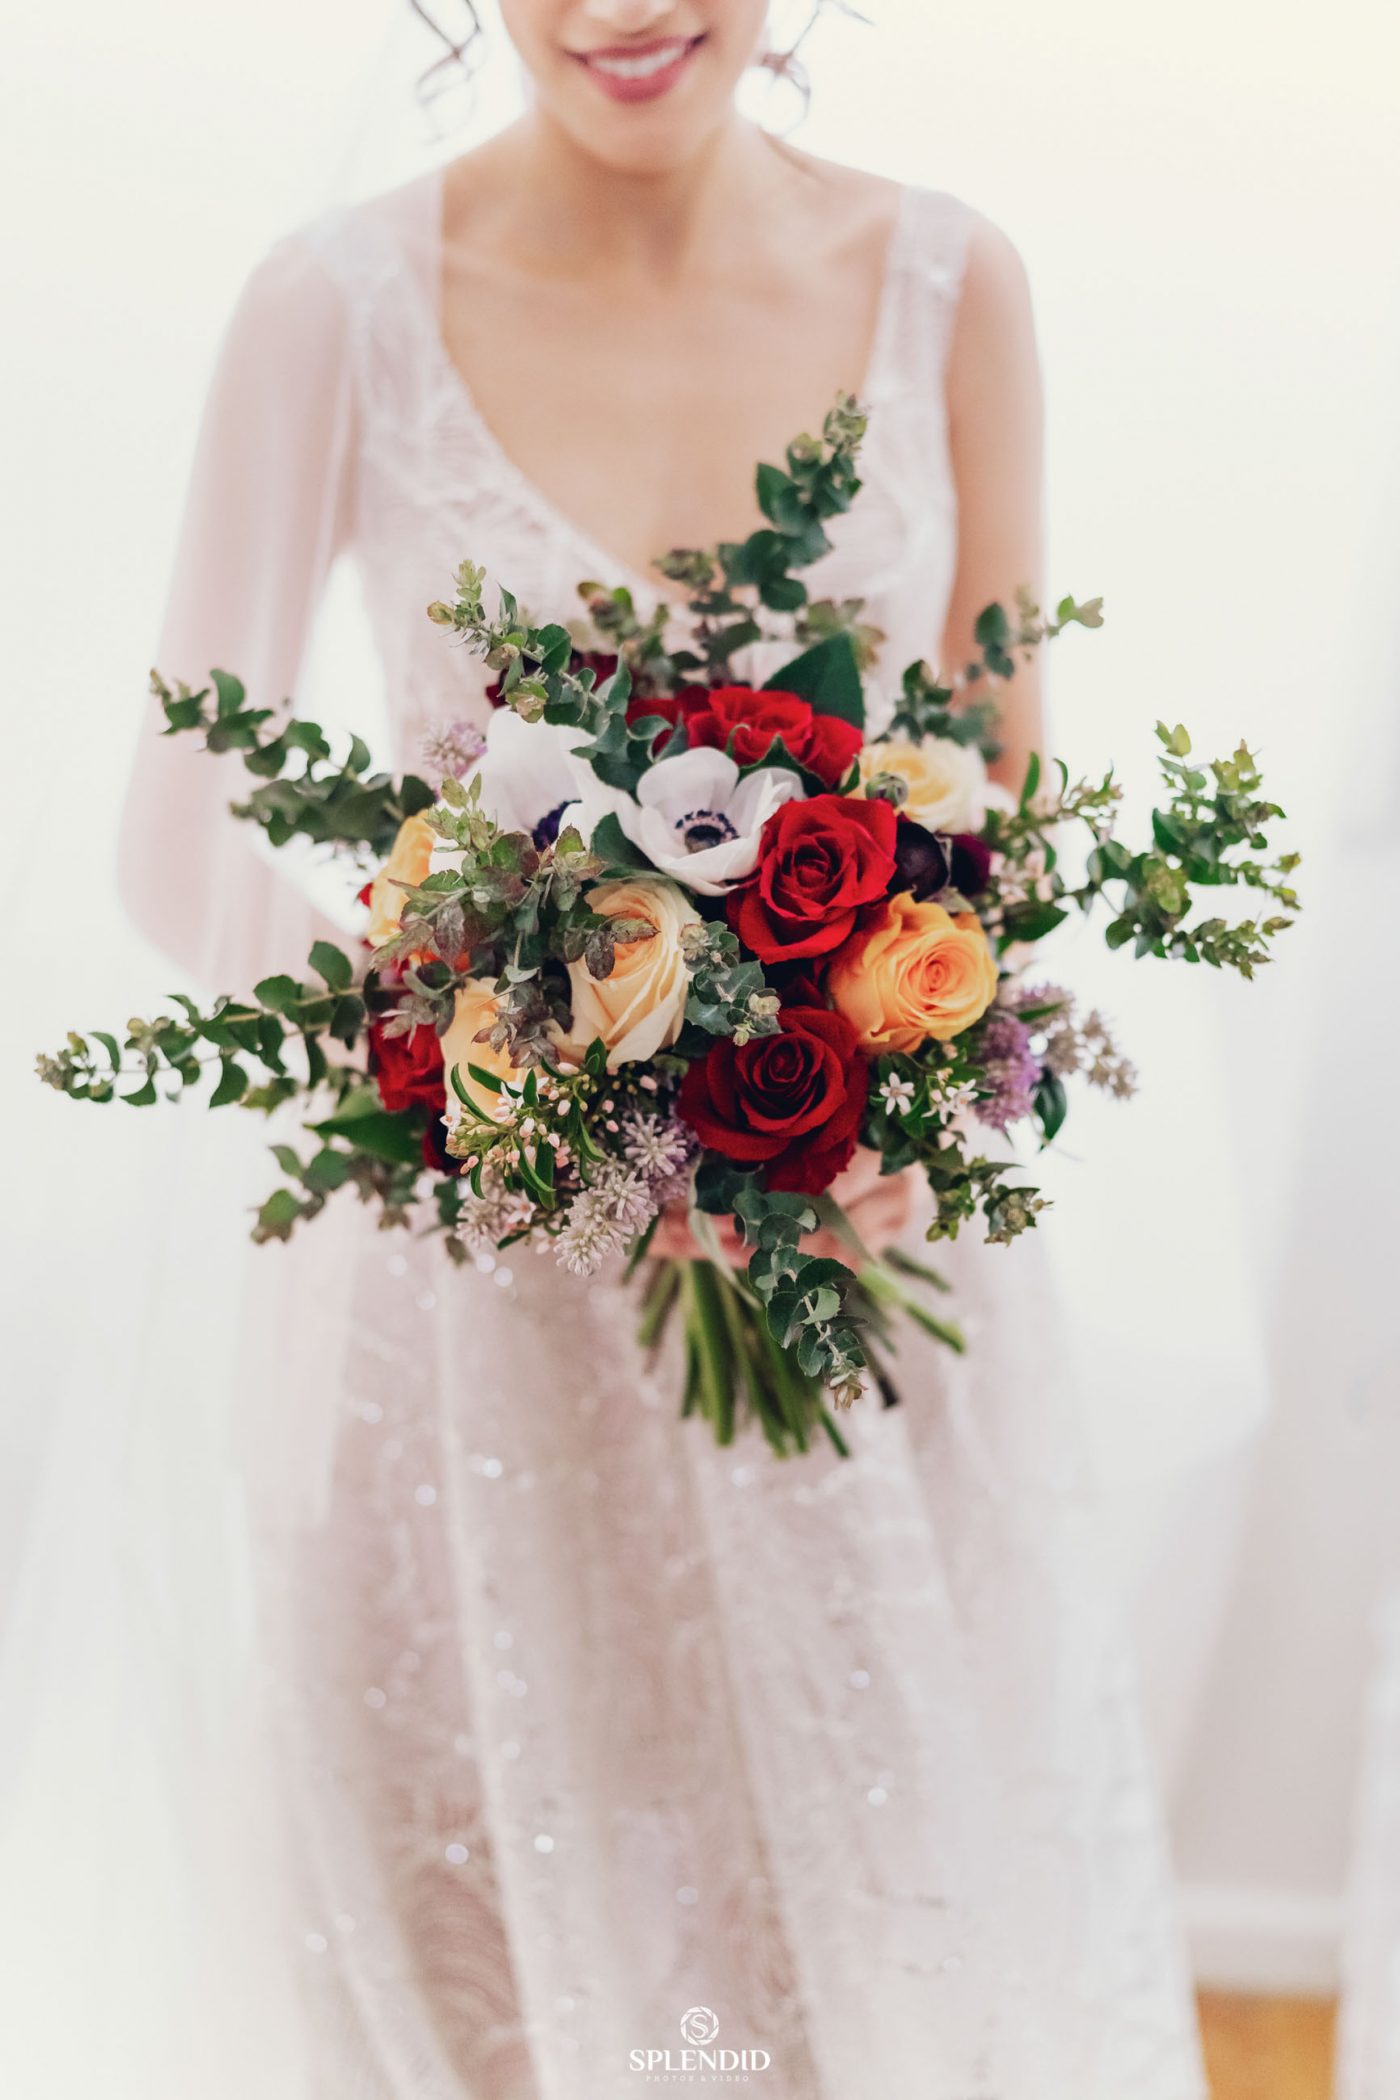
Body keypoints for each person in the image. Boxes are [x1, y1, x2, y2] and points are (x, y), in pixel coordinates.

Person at [118, 3, 1208, 2093]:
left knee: (847, 1967)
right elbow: (175, 846)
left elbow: (1001, 786)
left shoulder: (952, 285)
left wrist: (891, 1069)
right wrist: (520, 1079)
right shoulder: (334, 309)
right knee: (493, 1970)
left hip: (856, 1280)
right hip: (482, 1317)